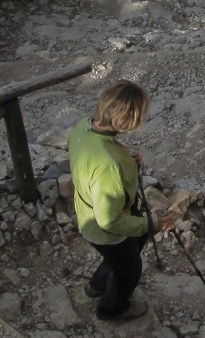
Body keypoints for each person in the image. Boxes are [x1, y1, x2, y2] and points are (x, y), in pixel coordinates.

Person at [68, 81, 176, 320]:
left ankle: (96, 286)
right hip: (106, 230)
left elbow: (95, 156)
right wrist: (153, 223)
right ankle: (112, 308)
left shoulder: (83, 127)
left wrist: (126, 159)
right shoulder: (108, 165)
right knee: (129, 268)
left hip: (86, 214)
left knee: (121, 255)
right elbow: (110, 222)